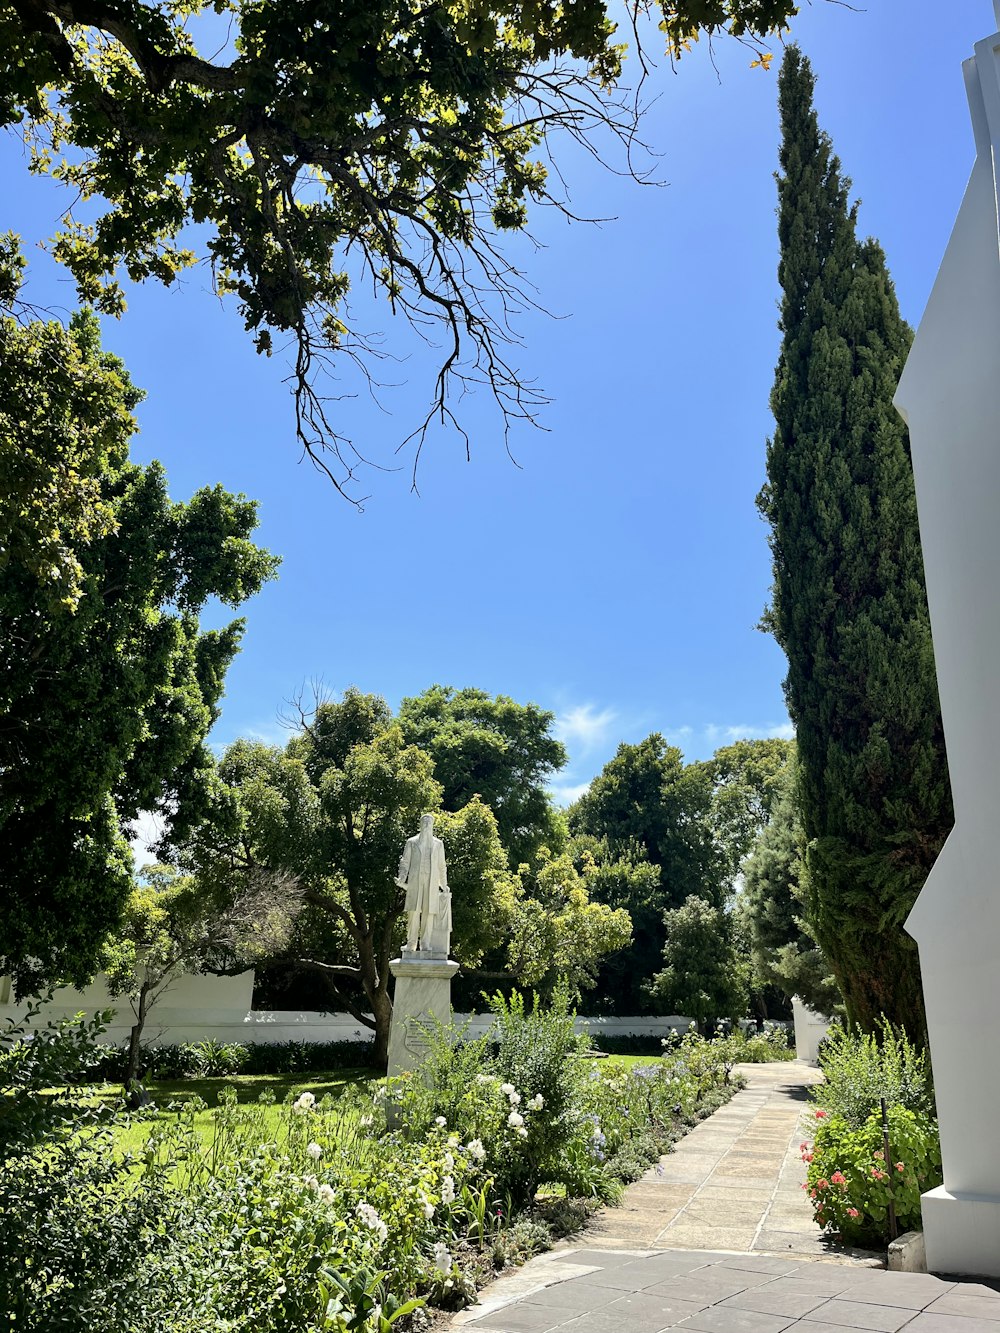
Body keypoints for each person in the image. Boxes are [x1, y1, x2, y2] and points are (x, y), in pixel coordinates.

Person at [395, 813, 452, 953]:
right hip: (415, 881)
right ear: (420, 825)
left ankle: (425, 943)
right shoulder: (411, 842)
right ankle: (411, 943)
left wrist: (443, 885)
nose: (426, 825)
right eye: (424, 822)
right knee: (413, 912)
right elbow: (405, 862)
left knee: (428, 913)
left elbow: (441, 866)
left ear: (432, 825)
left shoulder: (438, 844)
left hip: (431, 882)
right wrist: (402, 877)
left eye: (429, 823)